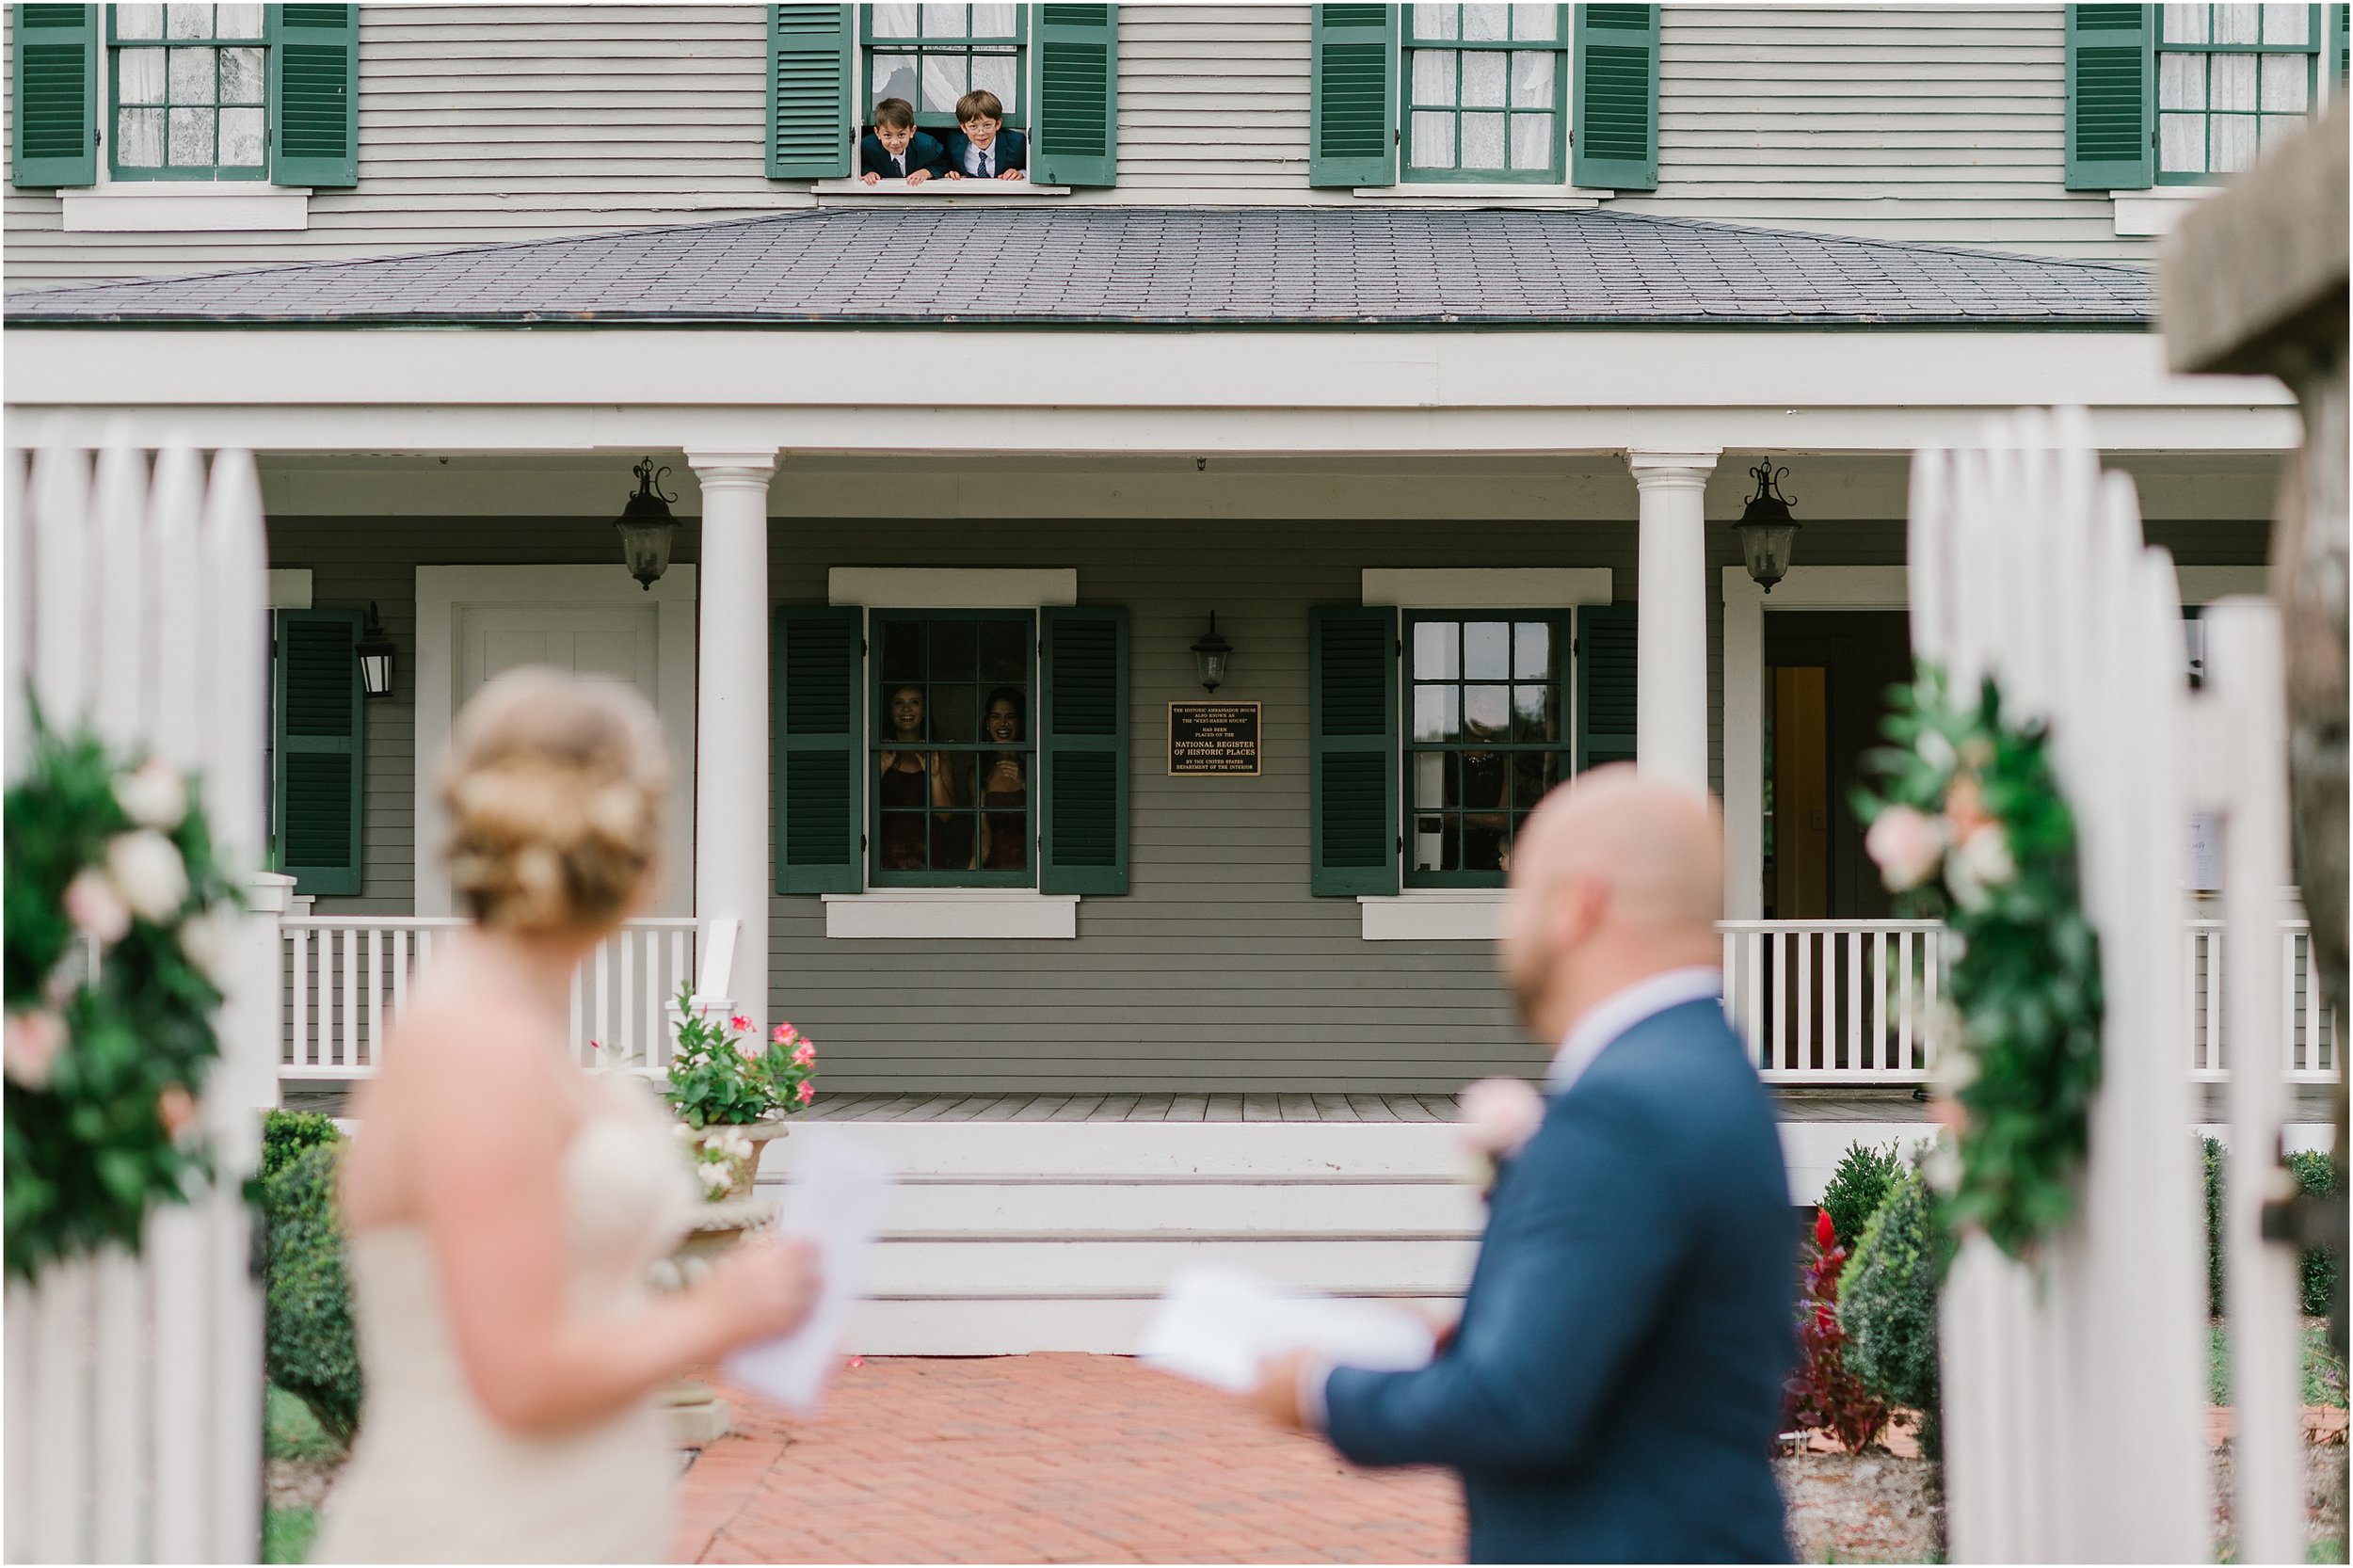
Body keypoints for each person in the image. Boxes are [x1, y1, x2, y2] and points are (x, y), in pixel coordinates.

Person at [312, 669, 821, 1564]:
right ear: (635, 854)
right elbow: (516, 1375)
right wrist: (720, 1316)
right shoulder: (476, 1044)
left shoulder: (527, 1035)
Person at [1246, 767, 1796, 1564]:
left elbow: (1517, 1407)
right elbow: (1621, 1351)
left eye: (1519, 891)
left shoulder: (1623, 1109)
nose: (1508, 922)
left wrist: (1315, 1388)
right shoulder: (1709, 1069)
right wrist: (1459, 1345)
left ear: (1580, 902)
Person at [878, 683, 957, 871]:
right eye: (899, 703)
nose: (907, 709)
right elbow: (862, 810)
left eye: (914, 702)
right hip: (884, 854)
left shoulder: (939, 754)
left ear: (924, 711)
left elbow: (945, 814)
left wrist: (934, 775)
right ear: (889, 711)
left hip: (928, 852)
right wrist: (880, 769)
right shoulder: (879, 751)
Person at [974, 686, 1028, 871]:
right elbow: (982, 830)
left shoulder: (1035, 765)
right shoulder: (980, 771)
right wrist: (972, 872)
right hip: (996, 865)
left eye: (1010, 717)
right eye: (996, 716)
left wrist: (1025, 782)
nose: (1003, 723)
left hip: (1034, 866)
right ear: (987, 723)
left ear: (1020, 722)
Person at [943, 89, 1026, 181]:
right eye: (973, 126)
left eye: (987, 125)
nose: (981, 133)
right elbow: (943, 163)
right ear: (964, 128)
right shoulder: (954, 142)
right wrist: (951, 172)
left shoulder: (1017, 144)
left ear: (997, 124)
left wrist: (1021, 173)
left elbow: (1035, 166)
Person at [859, 96, 946, 184]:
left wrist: (927, 172)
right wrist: (869, 172)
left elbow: (945, 164)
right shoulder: (867, 147)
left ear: (912, 131)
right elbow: (862, 164)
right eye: (887, 135)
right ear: (877, 133)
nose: (895, 142)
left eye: (901, 135)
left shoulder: (927, 145)